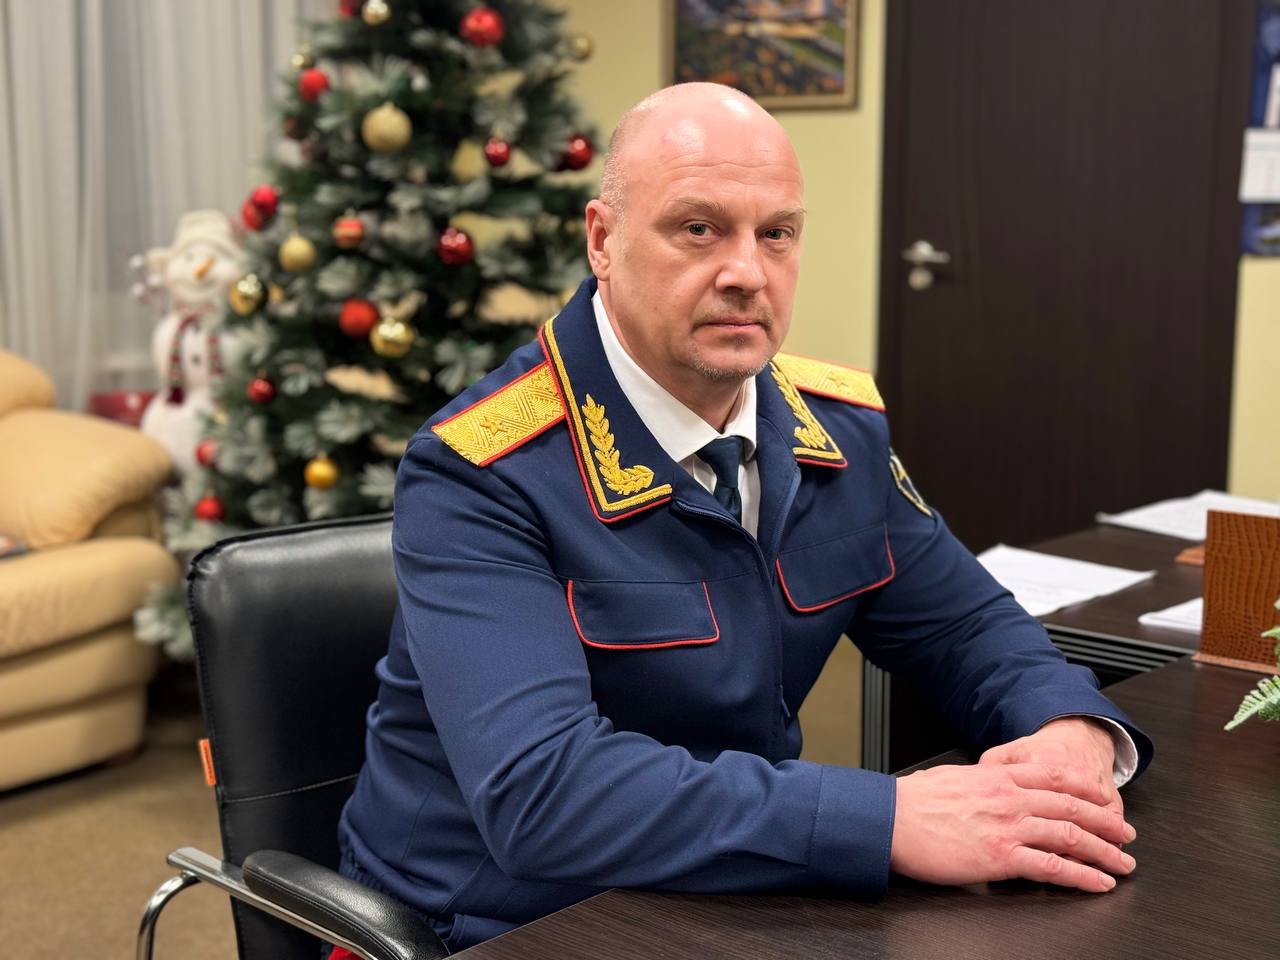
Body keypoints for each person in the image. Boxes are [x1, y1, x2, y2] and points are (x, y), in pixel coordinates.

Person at [337, 83, 1152, 953]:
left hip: (730, 893)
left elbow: (965, 626)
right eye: (699, 229)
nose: (747, 273)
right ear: (603, 241)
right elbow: (544, 795)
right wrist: (888, 819)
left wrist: (1069, 730)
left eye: (777, 234)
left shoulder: (838, 433)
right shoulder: (483, 469)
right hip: (495, 920)